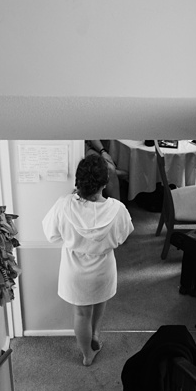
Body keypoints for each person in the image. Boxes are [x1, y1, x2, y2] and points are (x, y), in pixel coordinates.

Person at [42, 154, 134, 367]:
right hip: (103, 268)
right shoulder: (117, 210)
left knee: (81, 313)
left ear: (78, 182)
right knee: (100, 300)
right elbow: (123, 236)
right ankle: (95, 335)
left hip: (74, 270)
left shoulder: (64, 205)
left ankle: (87, 355)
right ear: (105, 183)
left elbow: (52, 235)